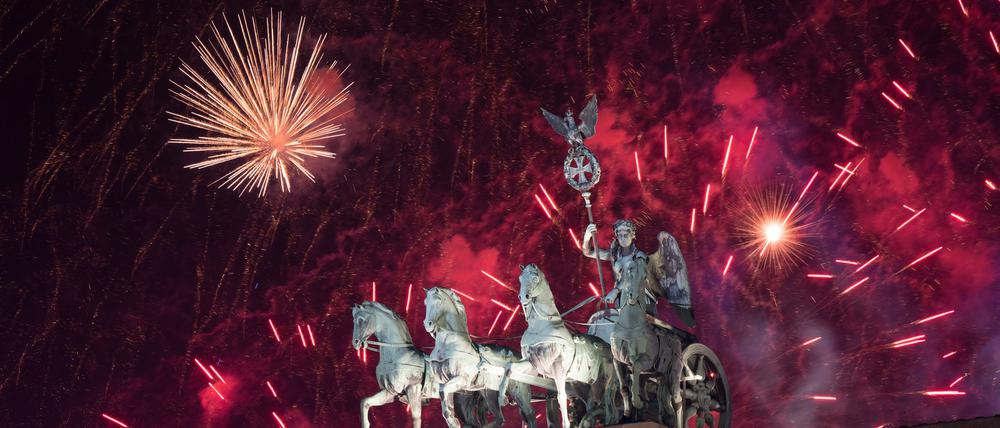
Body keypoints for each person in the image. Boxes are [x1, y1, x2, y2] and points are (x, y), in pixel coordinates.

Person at [582, 219, 656, 316]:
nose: (622, 238)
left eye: (626, 235)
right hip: (621, 300)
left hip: (640, 301)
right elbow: (589, 252)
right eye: (620, 235)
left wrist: (615, 290)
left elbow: (631, 277)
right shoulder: (615, 255)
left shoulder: (640, 257)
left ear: (633, 235)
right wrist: (587, 237)